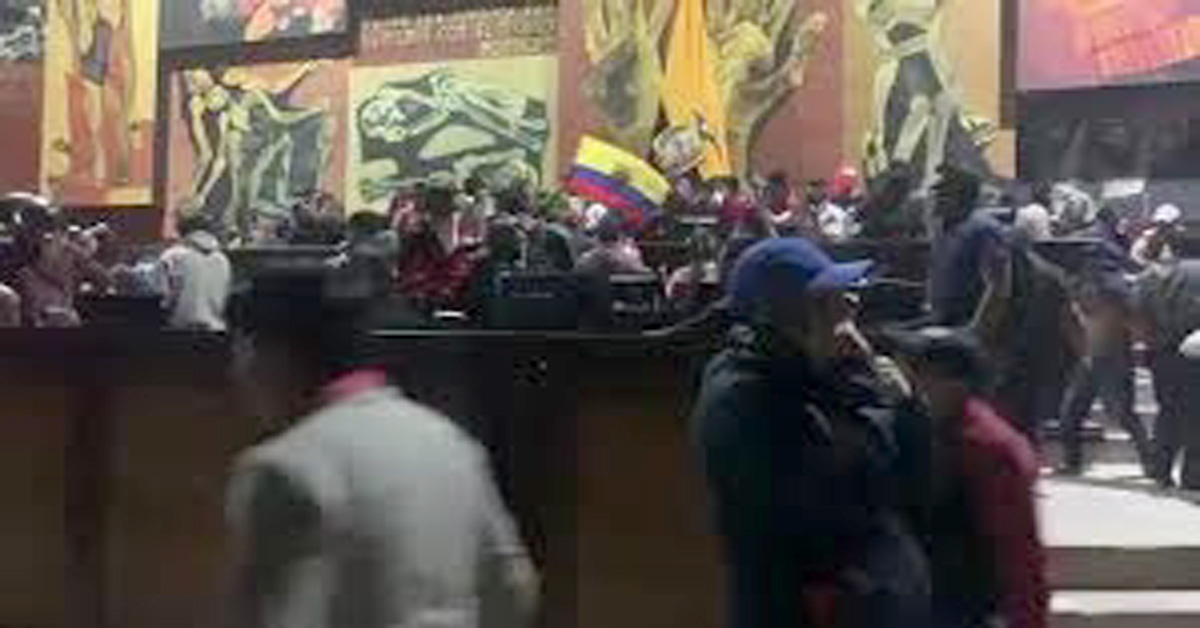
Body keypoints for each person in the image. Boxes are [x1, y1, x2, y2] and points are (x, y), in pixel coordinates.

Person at [225, 266, 538, 628]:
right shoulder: (449, 442)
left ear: (276, 356)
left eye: (243, 351)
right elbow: (515, 588)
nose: (238, 373)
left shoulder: (285, 468)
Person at [692, 238, 930, 628]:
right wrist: (890, 410)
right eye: (832, 299)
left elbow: (909, 477)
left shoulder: (809, 372)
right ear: (795, 314)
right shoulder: (743, 399)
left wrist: (896, 400)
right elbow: (855, 499)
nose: (851, 304)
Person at [887, 327, 1048, 628]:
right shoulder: (938, 430)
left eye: (918, 375)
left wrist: (1025, 619)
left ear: (956, 382)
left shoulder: (985, 446)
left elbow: (1017, 549)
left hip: (967, 606)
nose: (910, 387)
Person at [1057, 270, 1153, 476]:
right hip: (1088, 364)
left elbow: (1138, 330)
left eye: (1086, 290)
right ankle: (1071, 461)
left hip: (1114, 363)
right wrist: (1082, 351)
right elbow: (1072, 330)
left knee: (1124, 415)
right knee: (1069, 414)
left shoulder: (1116, 309)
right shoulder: (1076, 309)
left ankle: (1150, 462)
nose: (1081, 295)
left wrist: (1137, 347)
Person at [1134, 260, 1200, 489]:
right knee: (1196, 415)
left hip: (1162, 353)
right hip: (1193, 351)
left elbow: (1138, 314)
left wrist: (1152, 343)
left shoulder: (1150, 275)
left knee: (1168, 411)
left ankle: (1160, 469)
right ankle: (1193, 475)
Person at [160, 213, 233, 331]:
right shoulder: (223, 259)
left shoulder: (173, 256)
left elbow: (163, 299)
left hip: (180, 331)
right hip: (217, 330)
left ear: (181, 232)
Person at [575, 218, 650, 277]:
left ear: (597, 237)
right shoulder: (628, 259)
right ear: (620, 236)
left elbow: (578, 269)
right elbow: (645, 272)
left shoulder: (586, 260)